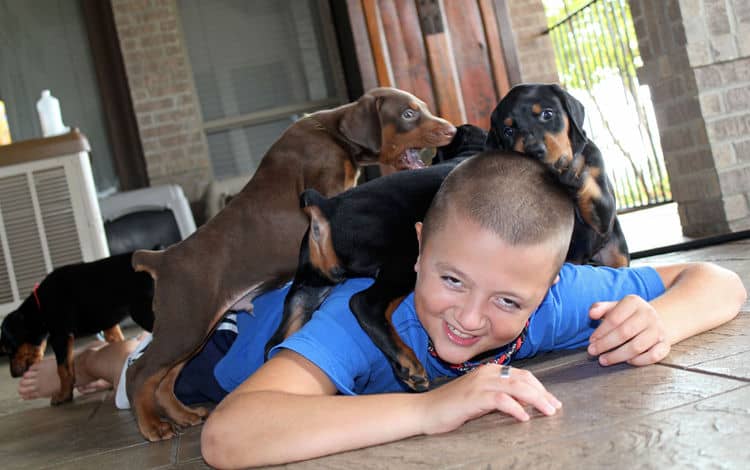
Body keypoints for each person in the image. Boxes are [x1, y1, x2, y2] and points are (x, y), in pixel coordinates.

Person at [18, 151, 745, 469]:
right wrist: (431, 409)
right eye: (451, 279)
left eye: (507, 301)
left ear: (549, 284)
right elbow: (231, 438)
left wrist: (665, 320)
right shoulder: (366, 319)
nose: (468, 317)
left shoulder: (546, 297)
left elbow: (718, 279)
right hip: (234, 343)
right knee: (145, 374)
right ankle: (94, 358)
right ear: (420, 248)